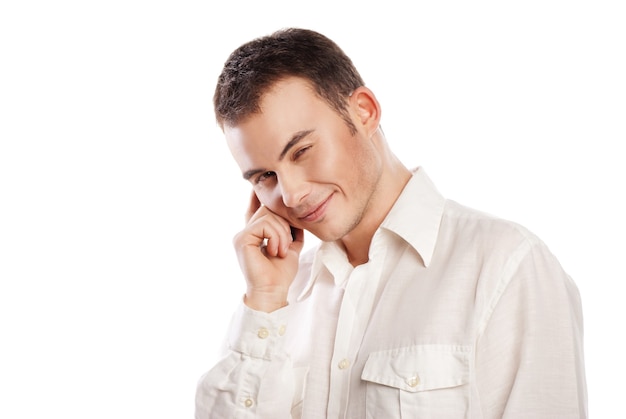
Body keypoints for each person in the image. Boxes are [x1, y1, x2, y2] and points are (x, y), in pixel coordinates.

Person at [195, 28, 587, 418]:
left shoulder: (505, 266)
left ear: (364, 111)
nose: (292, 194)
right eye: (265, 177)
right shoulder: (280, 304)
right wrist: (264, 300)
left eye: (302, 151)